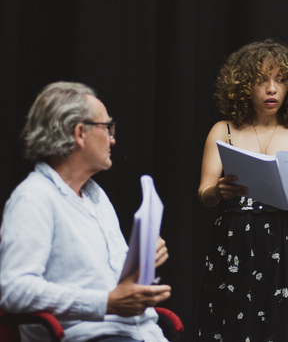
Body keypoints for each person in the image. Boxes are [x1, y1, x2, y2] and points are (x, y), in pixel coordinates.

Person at [0, 81, 172, 342]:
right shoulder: (33, 198)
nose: (113, 139)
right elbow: (15, 290)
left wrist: (143, 260)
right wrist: (105, 302)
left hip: (145, 334)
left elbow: (111, 284)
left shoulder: (96, 196)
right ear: (80, 133)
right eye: (107, 128)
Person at [196, 39, 288, 341]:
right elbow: (204, 194)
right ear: (243, 85)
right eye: (262, 80)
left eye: (280, 80)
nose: (272, 88)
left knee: (279, 325)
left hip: (278, 242)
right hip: (233, 241)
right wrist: (219, 190)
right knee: (232, 325)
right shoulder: (222, 130)